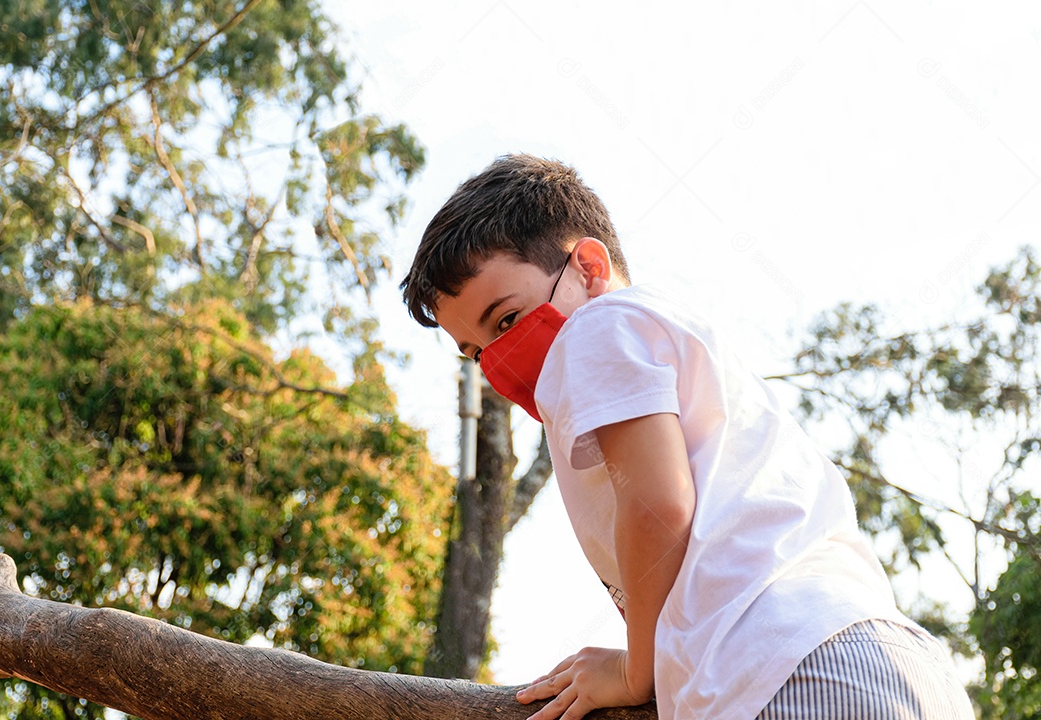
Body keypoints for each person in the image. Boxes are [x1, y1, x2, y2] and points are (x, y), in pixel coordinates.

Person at [399, 154, 973, 720]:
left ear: (589, 268)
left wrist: (636, 670)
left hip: (784, 671)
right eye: (477, 353)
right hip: (886, 658)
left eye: (506, 320)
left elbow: (659, 504)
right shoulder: (688, 352)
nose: (498, 360)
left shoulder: (597, 326)